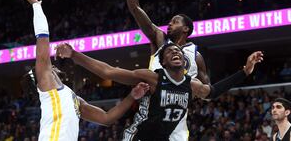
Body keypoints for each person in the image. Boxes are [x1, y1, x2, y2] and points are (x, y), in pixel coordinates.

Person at [55, 42, 263, 141]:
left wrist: (244, 71)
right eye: (170, 52)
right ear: (162, 62)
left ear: (184, 60)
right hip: (137, 137)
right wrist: (75, 55)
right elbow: (110, 71)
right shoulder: (152, 77)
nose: (176, 52)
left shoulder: (191, 85)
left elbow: (213, 91)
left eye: (179, 51)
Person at [21, 0, 150, 141]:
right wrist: (36, 6)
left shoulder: (72, 97)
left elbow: (106, 118)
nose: (48, 65)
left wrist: (132, 96)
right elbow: (42, 38)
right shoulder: (46, 85)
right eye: (44, 67)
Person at [114, 0, 209, 84]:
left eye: (175, 21)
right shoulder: (160, 38)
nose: (169, 24)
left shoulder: (196, 56)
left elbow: (208, 91)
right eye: (170, 21)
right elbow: (135, 8)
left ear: (186, 29)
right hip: (154, 102)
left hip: (180, 104)